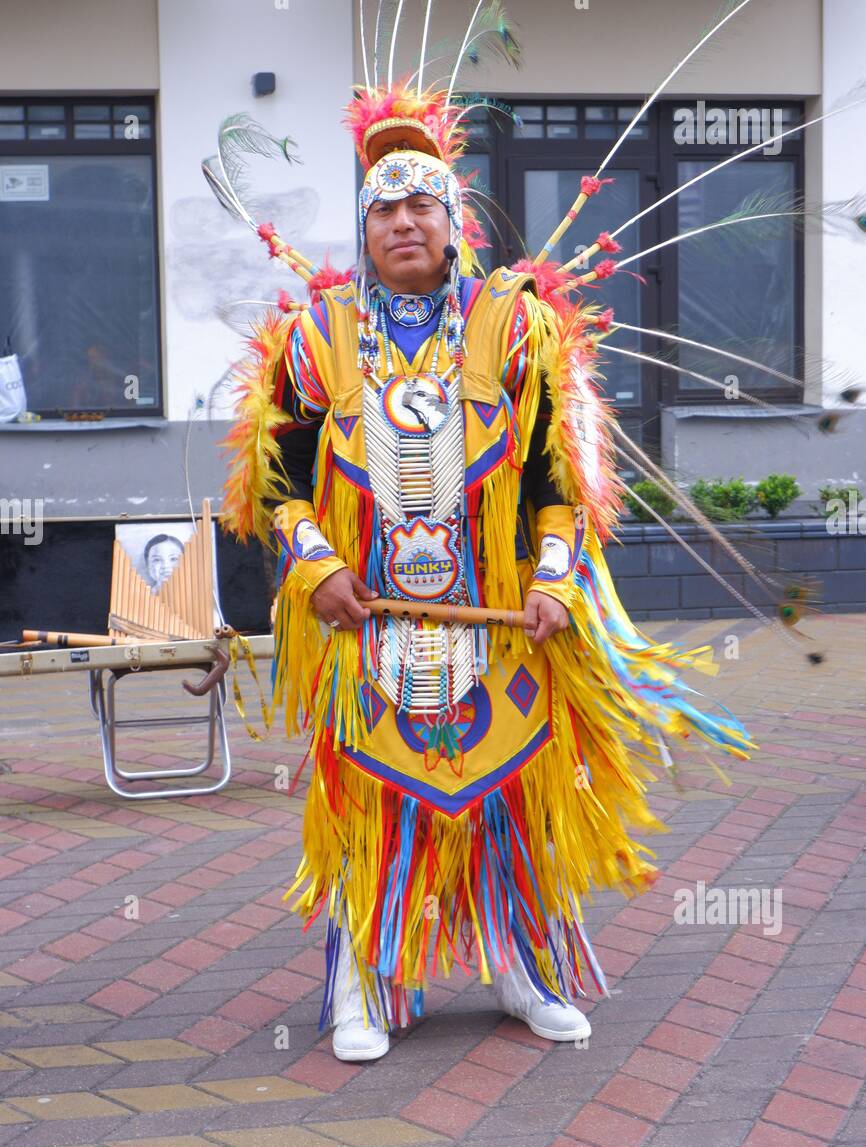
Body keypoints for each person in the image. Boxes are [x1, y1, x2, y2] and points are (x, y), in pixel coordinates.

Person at [218, 45, 753, 1065]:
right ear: (365, 227)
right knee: (371, 797)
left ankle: (522, 967)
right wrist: (315, 565)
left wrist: (554, 578)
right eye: (384, 206)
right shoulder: (314, 337)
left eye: (423, 202)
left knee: (506, 796)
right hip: (363, 616)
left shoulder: (513, 327)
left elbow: (560, 478)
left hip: (497, 616)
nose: (405, 221)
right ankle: (365, 983)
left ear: (451, 218)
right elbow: (274, 479)